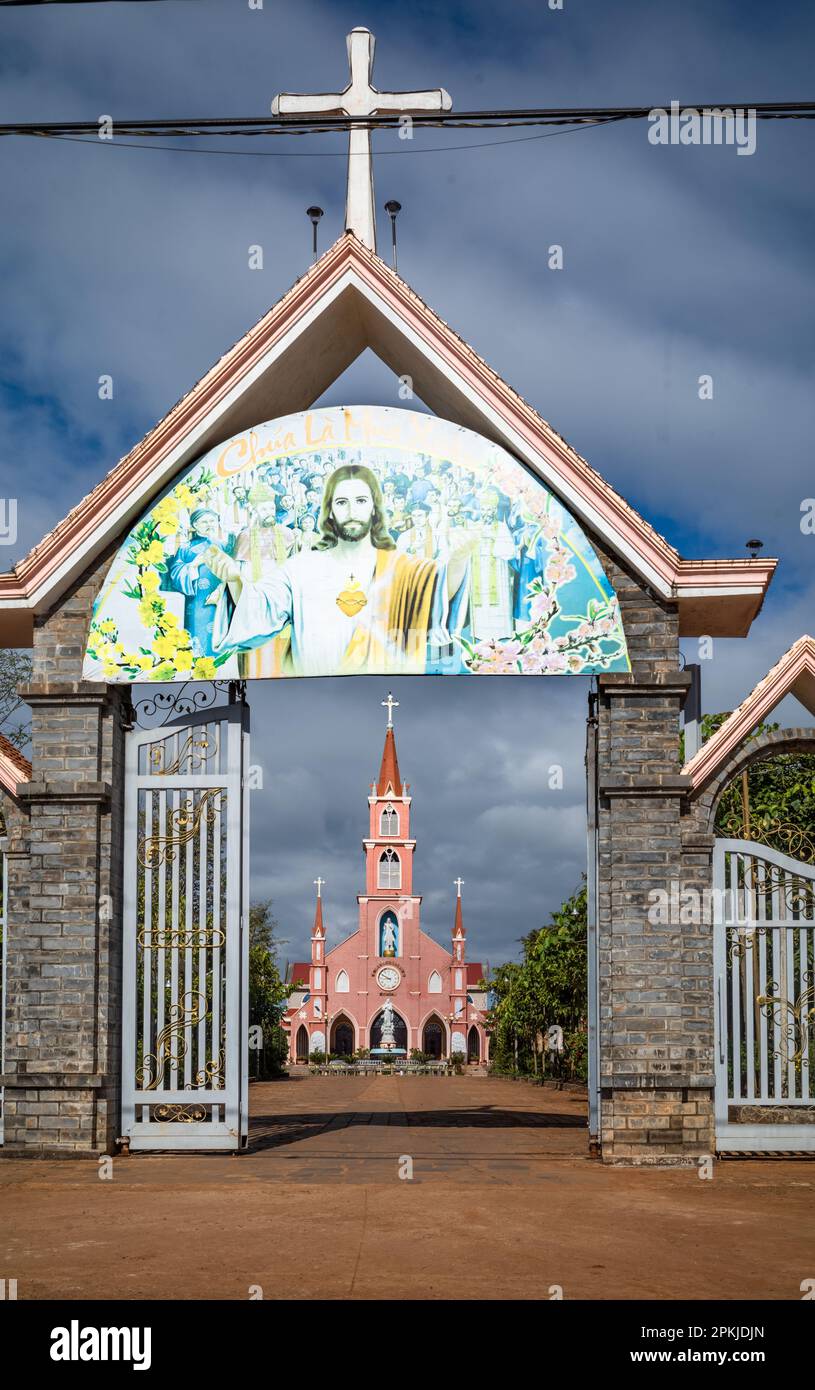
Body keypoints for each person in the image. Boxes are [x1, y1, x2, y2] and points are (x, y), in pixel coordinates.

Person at [209, 464, 472, 677]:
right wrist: (234, 579)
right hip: (317, 701)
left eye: (360, 501)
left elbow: (436, 595)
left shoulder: (402, 567)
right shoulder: (301, 568)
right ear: (330, 511)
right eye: (342, 502)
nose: (351, 511)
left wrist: (459, 559)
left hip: (389, 698)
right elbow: (258, 609)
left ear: (374, 508)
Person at [167, 509, 232, 658]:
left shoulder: (224, 545)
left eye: (212, 521)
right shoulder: (185, 548)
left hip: (221, 597)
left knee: (221, 630)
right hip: (197, 602)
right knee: (198, 635)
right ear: (195, 525)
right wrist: (193, 565)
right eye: (204, 522)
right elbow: (175, 571)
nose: (209, 525)